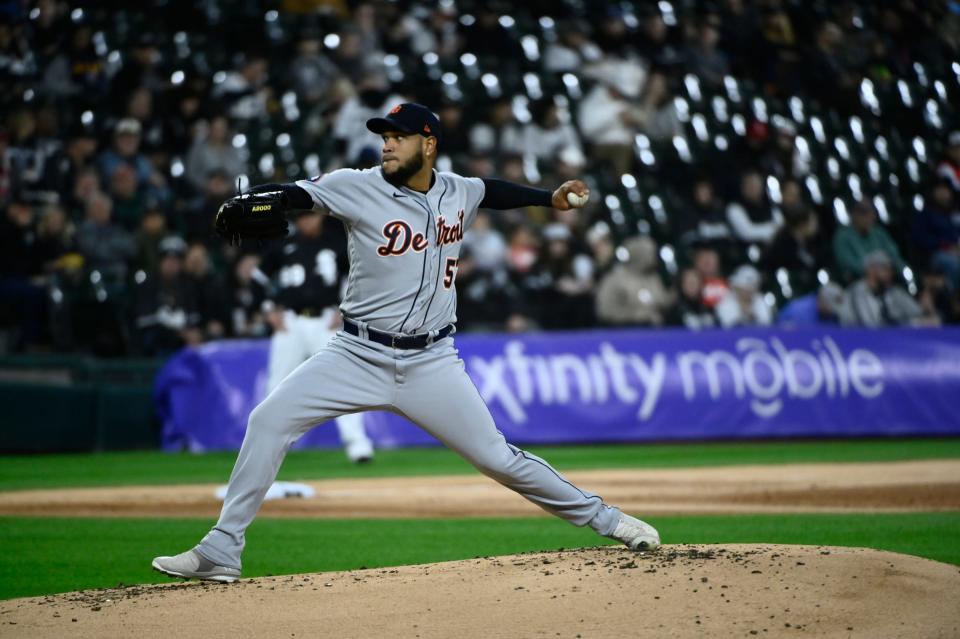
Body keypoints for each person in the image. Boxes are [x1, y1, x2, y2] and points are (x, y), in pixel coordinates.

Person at [153, 102, 659, 582]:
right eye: (384, 137)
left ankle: (609, 520)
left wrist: (546, 197)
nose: (387, 145)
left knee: (498, 459)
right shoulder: (355, 186)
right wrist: (264, 196)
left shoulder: (458, 190)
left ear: (429, 144)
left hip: (432, 361)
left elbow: (492, 190)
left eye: (398, 137)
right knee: (268, 420)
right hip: (356, 352)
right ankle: (223, 548)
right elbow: (297, 194)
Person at [257, 208, 375, 464]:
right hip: (290, 322)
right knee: (277, 385)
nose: (306, 222)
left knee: (344, 381)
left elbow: (357, 276)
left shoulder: (336, 242)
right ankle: (265, 447)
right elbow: (258, 277)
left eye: (309, 216)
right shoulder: (284, 243)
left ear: (320, 216)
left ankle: (358, 446)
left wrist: (346, 309)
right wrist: (268, 310)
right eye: (300, 218)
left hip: (326, 321)